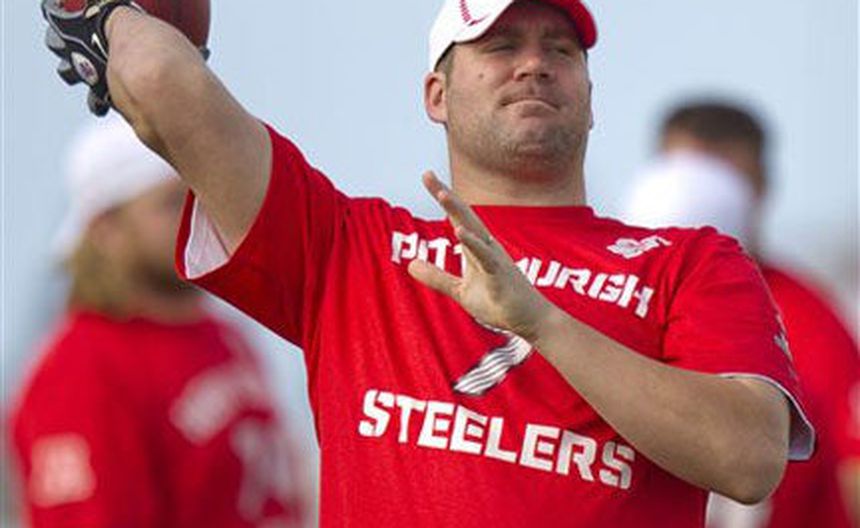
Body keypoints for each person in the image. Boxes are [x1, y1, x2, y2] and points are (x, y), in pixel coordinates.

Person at [41, 1, 816, 526]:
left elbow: (749, 460)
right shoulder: (350, 249)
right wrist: (108, 17)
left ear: (590, 95)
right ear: (436, 94)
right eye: (501, 46)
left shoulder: (690, 262)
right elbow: (165, 88)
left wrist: (542, 323)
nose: (535, 64)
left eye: (561, 49)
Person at [9, 116, 307, 528]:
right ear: (106, 229)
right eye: (171, 203)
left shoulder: (225, 336)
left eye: (199, 198)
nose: (195, 218)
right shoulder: (80, 368)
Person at [623, 101, 860, 528]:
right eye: (684, 178)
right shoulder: (605, 299)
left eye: (722, 182)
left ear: (760, 187)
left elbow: (853, 472)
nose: (701, 196)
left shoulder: (808, 319)